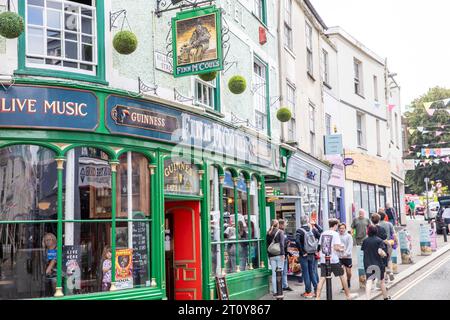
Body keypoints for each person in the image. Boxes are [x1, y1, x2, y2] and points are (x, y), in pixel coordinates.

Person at [316, 219, 358, 300]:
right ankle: (348, 295)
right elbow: (336, 247)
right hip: (333, 259)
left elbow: (320, 246)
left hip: (323, 259)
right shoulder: (335, 234)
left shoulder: (323, 233)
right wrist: (342, 249)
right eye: (337, 226)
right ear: (335, 225)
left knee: (322, 278)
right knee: (342, 276)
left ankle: (317, 297)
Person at [362, 225, 391, 300]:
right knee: (381, 282)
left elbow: (364, 250)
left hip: (368, 264)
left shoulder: (365, 241)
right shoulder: (379, 240)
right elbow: (380, 251)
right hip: (378, 264)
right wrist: (384, 254)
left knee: (369, 282)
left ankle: (367, 298)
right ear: (376, 231)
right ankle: (385, 298)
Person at [295, 215, 320, 299]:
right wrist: (317, 249)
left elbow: (297, 241)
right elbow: (320, 236)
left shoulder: (299, 230)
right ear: (307, 221)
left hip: (304, 255)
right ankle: (317, 290)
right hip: (312, 254)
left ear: (301, 221)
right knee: (312, 272)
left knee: (306, 273)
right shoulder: (312, 229)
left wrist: (302, 252)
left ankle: (308, 292)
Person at [266, 219, 285, 297]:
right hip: (279, 254)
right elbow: (282, 244)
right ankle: (279, 291)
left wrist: (269, 255)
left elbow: (267, 245)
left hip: (271, 255)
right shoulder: (280, 232)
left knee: (274, 274)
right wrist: (283, 254)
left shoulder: (268, 233)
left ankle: (275, 291)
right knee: (280, 273)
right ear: (277, 224)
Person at [278, 219, 293, 291]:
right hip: (281, 254)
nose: (286, 225)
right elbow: (281, 244)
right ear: (281, 225)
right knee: (281, 271)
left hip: (284, 254)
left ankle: (285, 285)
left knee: (284, 271)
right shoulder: (279, 232)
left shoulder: (282, 232)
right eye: (285, 224)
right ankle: (280, 286)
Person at [338, 223, 353, 291]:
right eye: (340, 228)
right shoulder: (337, 236)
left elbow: (350, 246)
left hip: (347, 257)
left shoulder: (348, 236)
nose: (341, 229)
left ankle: (348, 281)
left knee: (348, 273)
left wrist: (346, 254)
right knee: (341, 272)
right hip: (339, 257)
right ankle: (344, 286)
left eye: (343, 228)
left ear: (345, 229)